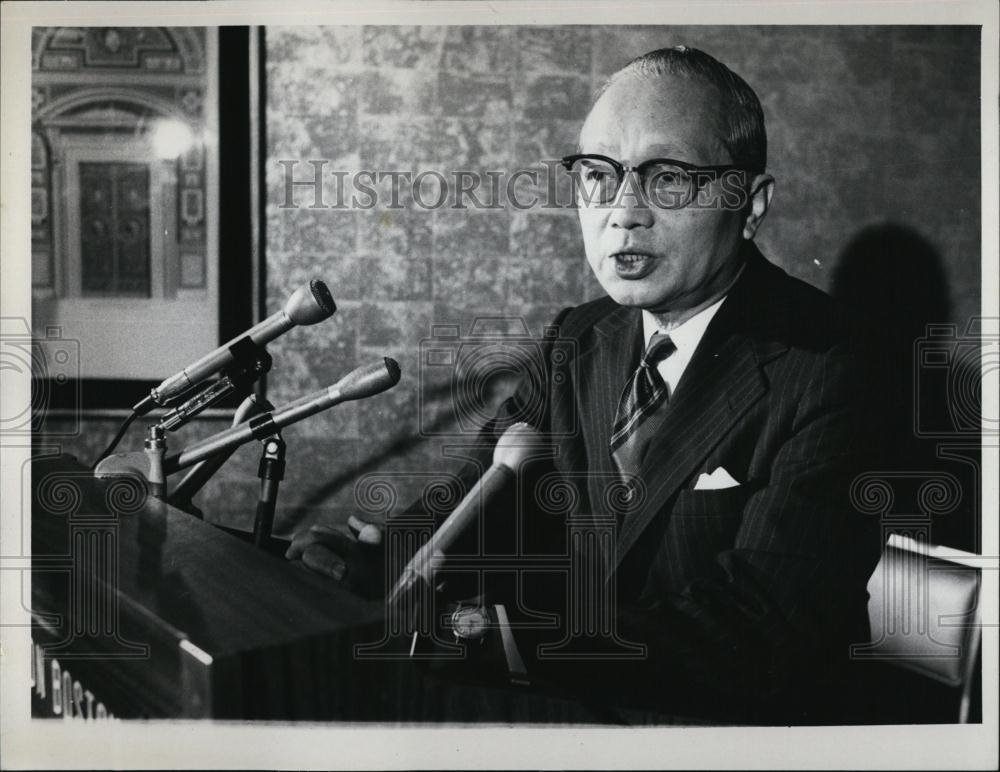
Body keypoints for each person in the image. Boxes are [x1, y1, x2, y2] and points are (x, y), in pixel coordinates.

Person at [286, 46, 889, 723]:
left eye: (667, 179)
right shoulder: (578, 336)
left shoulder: (836, 366)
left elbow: (763, 632)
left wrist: (500, 634)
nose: (623, 213)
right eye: (599, 176)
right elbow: (483, 498)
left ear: (749, 204)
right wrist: (383, 561)